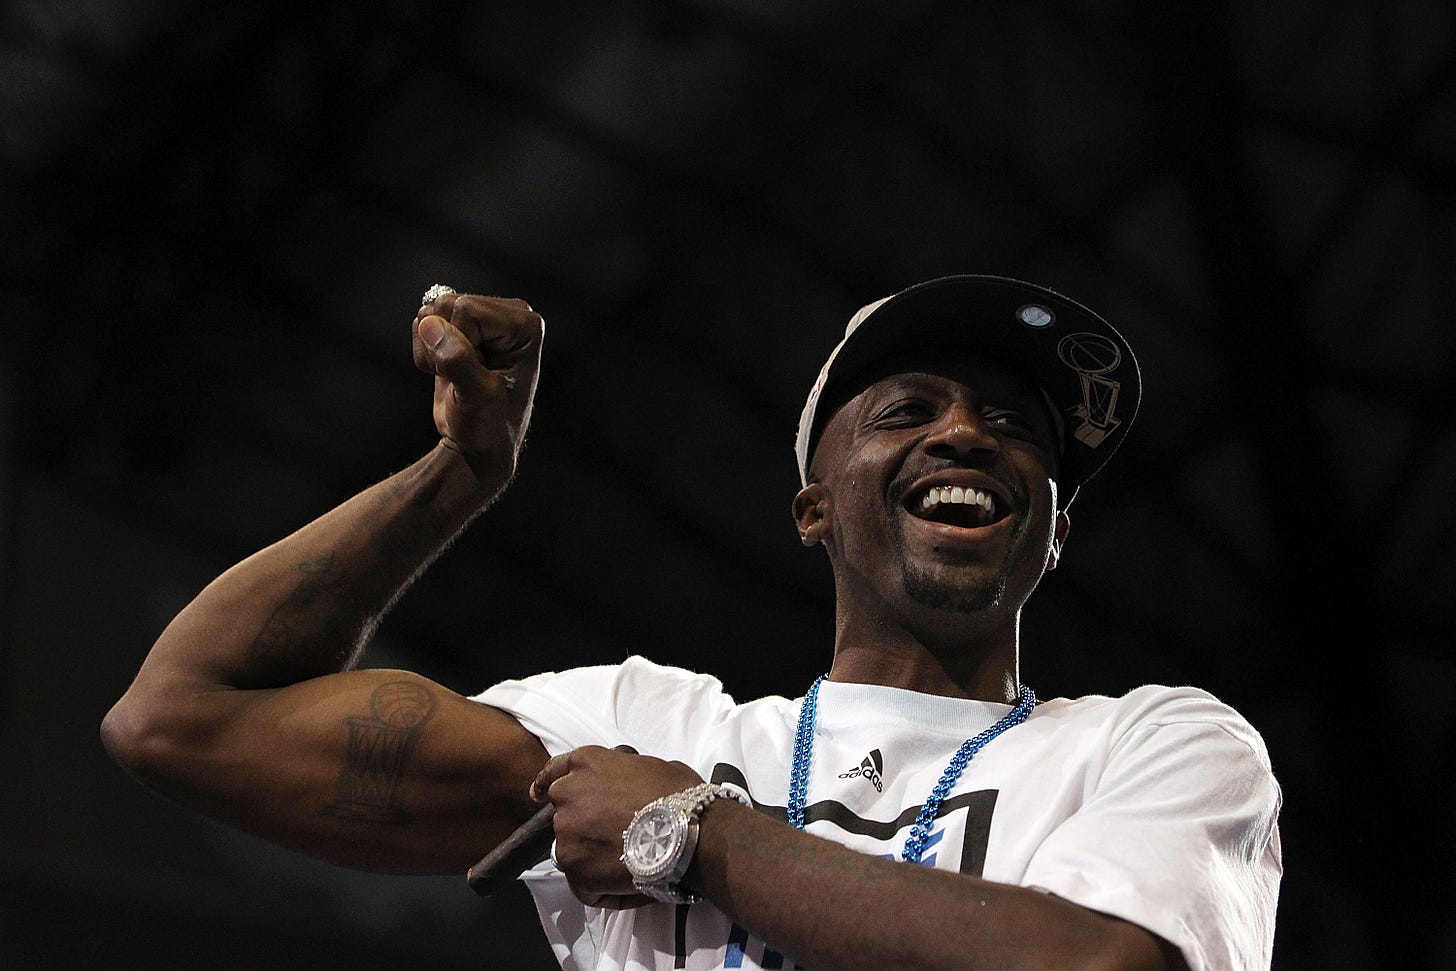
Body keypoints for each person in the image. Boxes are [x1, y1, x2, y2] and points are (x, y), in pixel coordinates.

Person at [102, 275, 1282, 971]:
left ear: (1053, 531)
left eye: (1016, 426)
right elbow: (184, 720)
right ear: (813, 506)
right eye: (907, 409)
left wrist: (693, 834)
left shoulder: (1157, 744)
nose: (967, 434)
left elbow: (1101, 965)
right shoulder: (628, 719)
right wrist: (458, 476)